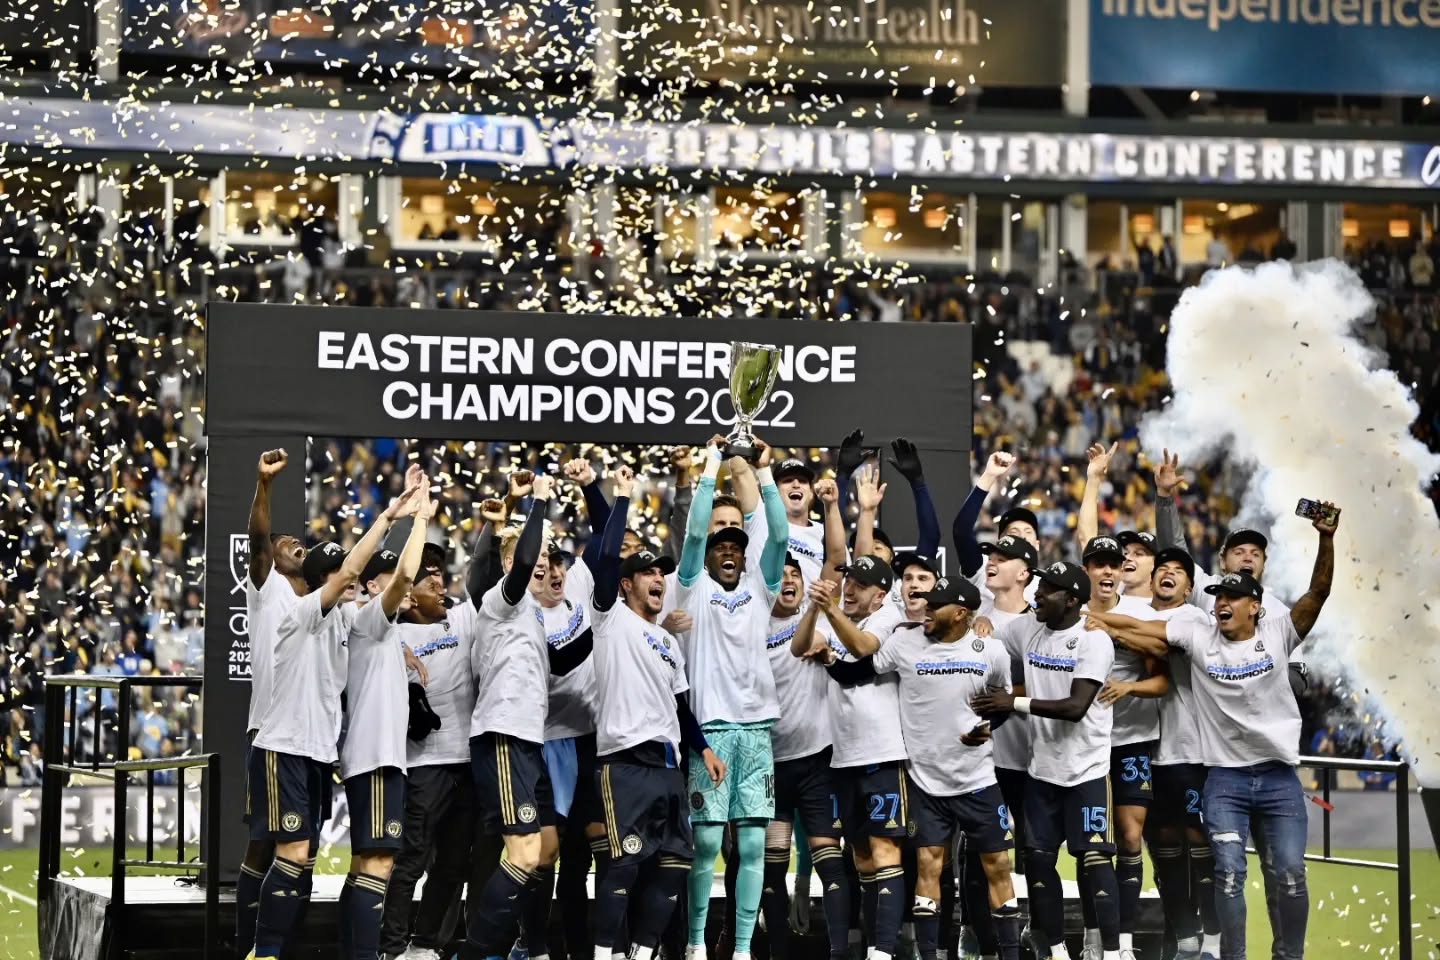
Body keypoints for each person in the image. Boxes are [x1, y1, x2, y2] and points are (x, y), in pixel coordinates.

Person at [1086, 504, 1339, 960]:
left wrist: (1326, 538)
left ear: (1255, 607)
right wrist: (1101, 618)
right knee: (1225, 872)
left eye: (1233, 598)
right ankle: (1229, 955)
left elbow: (1318, 593)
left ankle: (1288, 956)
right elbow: (1145, 626)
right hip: (1224, 776)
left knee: (1289, 873)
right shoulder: (1200, 633)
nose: (1222, 602)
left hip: (1279, 775)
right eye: (1219, 595)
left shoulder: (1278, 633)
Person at [244, 469, 422, 960]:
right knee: (292, 854)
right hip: (283, 746)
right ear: (325, 580)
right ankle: (264, 951)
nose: (351, 579)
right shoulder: (301, 612)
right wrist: (388, 516)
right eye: (340, 573)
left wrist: (418, 519)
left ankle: (279, 947)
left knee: (304, 860)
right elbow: (351, 575)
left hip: (319, 753)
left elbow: (388, 597)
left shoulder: (346, 620)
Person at [825, 575, 1022, 960]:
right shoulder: (904, 642)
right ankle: (929, 954)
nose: (926, 609)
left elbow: (1004, 698)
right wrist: (829, 658)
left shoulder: (991, 651)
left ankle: (1010, 954)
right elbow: (857, 673)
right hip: (925, 782)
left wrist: (988, 725)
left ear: (962, 613)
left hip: (978, 779)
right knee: (929, 866)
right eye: (927, 602)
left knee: (998, 864)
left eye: (936, 605)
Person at [589, 465, 726, 960]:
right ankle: (606, 955)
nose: (658, 579)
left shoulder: (669, 640)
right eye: (648, 572)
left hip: (669, 766)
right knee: (623, 865)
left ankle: (643, 952)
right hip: (624, 762)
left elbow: (680, 705)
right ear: (626, 585)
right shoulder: (609, 619)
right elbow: (605, 557)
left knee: (673, 867)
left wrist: (704, 748)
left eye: (659, 574)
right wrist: (620, 496)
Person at [461, 472, 592, 960]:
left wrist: (605, 625)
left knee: (545, 852)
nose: (542, 567)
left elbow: (559, 662)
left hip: (526, 741)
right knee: (522, 854)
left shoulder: (530, 619)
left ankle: (523, 946)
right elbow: (516, 569)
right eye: (532, 560)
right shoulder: (499, 602)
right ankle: (478, 951)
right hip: (502, 735)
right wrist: (536, 502)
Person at [970, 561, 1121, 960]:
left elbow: (1075, 707)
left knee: (1095, 861)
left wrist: (1012, 702)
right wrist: (982, 627)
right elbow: (987, 633)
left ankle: (1112, 951)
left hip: (1087, 770)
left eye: (1048, 590)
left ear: (1072, 600)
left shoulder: (1093, 641)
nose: (1037, 593)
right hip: (1042, 772)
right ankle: (1054, 950)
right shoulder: (1029, 628)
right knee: (1037, 864)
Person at [677, 438, 788, 960]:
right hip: (714, 732)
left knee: (751, 847)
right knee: (704, 845)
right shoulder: (692, 587)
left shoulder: (761, 589)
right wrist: (712, 465)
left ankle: (741, 949)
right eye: (720, 545)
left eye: (735, 544)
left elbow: (781, 532)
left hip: (757, 731)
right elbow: (697, 529)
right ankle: (696, 943)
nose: (726, 549)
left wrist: (764, 472)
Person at [339, 484, 434, 960]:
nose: (402, 586)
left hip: (377, 756)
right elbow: (404, 577)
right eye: (386, 579)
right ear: (373, 586)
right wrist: (419, 520)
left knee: (366, 863)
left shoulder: (379, 630)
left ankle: (352, 951)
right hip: (376, 757)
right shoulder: (368, 618)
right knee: (379, 860)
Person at [380, 537, 481, 960]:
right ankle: (391, 947)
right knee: (410, 861)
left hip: (466, 761)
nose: (440, 583)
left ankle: (424, 945)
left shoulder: (460, 620)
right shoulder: (389, 632)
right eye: (429, 577)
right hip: (421, 764)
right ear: (407, 594)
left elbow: (484, 571)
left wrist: (505, 511)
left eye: (440, 573)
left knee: (454, 864)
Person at [1119, 548, 1220, 960]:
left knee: (1198, 839)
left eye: (1179, 571)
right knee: (1161, 842)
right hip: (1147, 747)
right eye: (1163, 568)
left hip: (1189, 748)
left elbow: (1159, 644)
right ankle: (1184, 933)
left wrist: (1108, 625)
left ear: (1190, 588)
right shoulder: (1136, 612)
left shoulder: (1193, 620)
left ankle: (1212, 937)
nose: (1169, 574)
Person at [812, 555, 909, 960]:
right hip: (844, 753)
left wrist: (830, 608)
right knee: (863, 857)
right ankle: (873, 946)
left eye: (859, 584)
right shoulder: (839, 617)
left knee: (885, 851)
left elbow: (865, 649)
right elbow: (844, 667)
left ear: (881, 595)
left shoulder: (891, 618)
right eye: (847, 580)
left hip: (882, 753)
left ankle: (884, 951)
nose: (849, 588)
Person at [237, 448, 308, 959]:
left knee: (303, 851)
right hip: (271, 733)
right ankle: (252, 947)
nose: (292, 541)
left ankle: (284, 944)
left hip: (313, 740)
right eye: (286, 540)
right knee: (268, 843)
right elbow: (259, 540)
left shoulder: (319, 602)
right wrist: (263, 485)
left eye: (299, 539)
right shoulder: (268, 589)